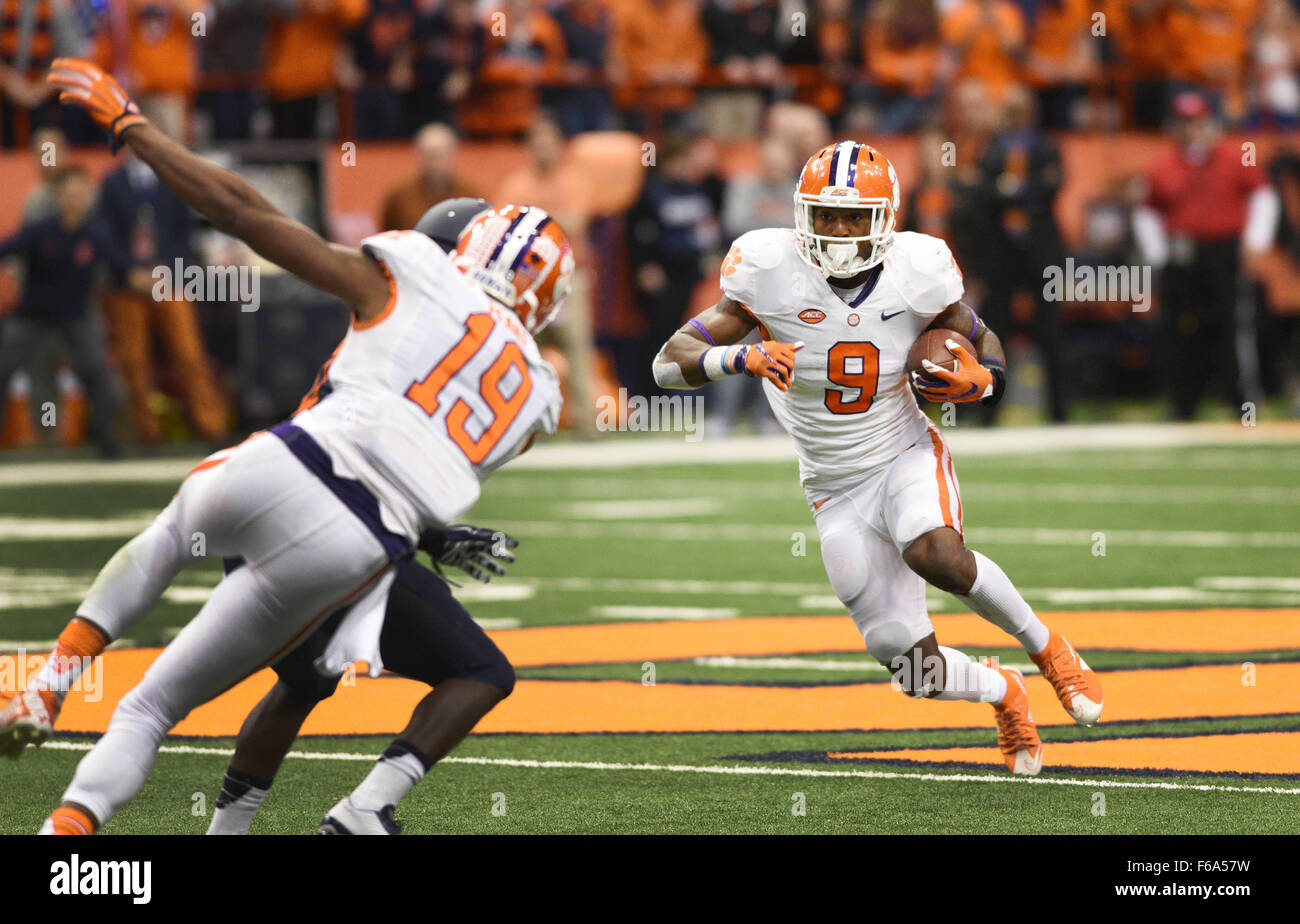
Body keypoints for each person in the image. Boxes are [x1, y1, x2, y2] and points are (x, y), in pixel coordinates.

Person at [1, 58, 571, 837]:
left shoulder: (406, 273)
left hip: (291, 465)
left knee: (173, 535)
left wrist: (132, 125)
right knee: (151, 708)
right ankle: (69, 837)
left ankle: (55, 674)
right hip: (357, 545)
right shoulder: (538, 398)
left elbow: (240, 210)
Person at [652, 140, 1105, 776]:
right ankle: (1005, 693)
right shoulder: (766, 268)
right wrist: (740, 357)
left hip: (901, 450)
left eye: (854, 216)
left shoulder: (917, 269)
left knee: (935, 552)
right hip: (832, 484)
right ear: (801, 215)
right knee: (910, 666)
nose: (838, 232)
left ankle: (1050, 649)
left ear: (885, 219)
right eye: (826, 216)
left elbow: (982, 338)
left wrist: (986, 381)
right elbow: (667, 363)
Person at [1134, 90, 1272, 420]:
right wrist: (1157, 253)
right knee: (1182, 329)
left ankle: (1242, 402)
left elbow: (1263, 197)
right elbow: (1147, 211)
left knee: (1230, 325)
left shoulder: (1235, 157)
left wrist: (1256, 240)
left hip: (1223, 252)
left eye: (1196, 121)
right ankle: (1184, 403)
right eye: (1184, 122)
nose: (1191, 129)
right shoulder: (1162, 165)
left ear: (1209, 122)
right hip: (1182, 254)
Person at [0, 165, 124, 456]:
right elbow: (7, 248)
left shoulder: (97, 234)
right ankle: (36, 436)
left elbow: (122, 266)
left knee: (97, 371)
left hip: (75, 315)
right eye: (69, 193)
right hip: (33, 315)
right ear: (58, 197)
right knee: (3, 369)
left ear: (88, 197)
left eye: (80, 193)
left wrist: (143, 276)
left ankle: (106, 439)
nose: (74, 199)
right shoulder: (40, 230)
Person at [378, 122, 482, 232]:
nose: (434, 162)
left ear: (452, 154)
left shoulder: (471, 196)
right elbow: (386, 238)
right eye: (430, 155)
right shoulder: (399, 197)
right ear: (419, 156)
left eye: (440, 155)